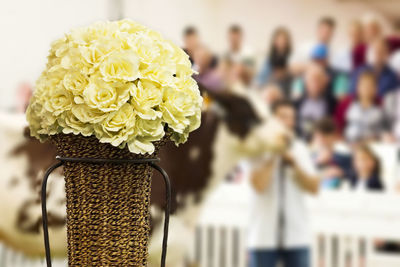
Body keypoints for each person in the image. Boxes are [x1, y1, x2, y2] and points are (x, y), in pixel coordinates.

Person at [248, 100, 319, 267]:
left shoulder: (299, 148)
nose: (289, 122)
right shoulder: (258, 148)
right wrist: (274, 156)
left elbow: (314, 187)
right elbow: (258, 185)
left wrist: (294, 165)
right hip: (263, 236)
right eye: (283, 117)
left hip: (297, 236)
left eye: (292, 118)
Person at [296, 63, 336, 140]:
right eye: (312, 80)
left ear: (325, 81)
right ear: (305, 82)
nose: (315, 84)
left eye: (319, 79)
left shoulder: (332, 103)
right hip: (300, 140)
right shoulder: (298, 102)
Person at [311, 118, 353, 189]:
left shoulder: (344, 155)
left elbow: (357, 174)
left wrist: (342, 172)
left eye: (324, 136)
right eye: (318, 136)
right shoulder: (311, 157)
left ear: (333, 136)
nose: (321, 140)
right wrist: (317, 163)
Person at [345, 70, 385, 142]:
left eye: (370, 86)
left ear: (375, 89)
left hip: (369, 146)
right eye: (364, 85)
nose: (366, 89)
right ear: (358, 87)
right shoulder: (349, 106)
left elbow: (381, 134)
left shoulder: (379, 112)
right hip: (349, 143)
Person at [257, 27, 292, 96]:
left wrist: (286, 72)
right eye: (279, 39)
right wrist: (272, 77)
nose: (281, 42)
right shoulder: (269, 59)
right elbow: (260, 79)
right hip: (271, 87)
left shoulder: (292, 57)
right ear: (274, 41)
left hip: (286, 89)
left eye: (284, 39)